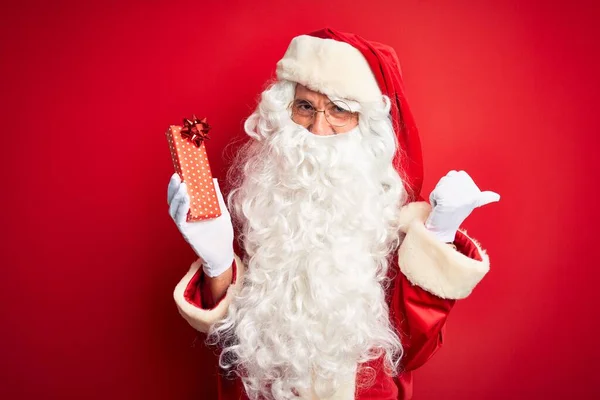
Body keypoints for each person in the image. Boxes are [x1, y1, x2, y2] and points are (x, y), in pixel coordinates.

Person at [167, 28, 500, 400]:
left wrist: (439, 232)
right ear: (284, 110)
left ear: (367, 126)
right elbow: (233, 341)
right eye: (305, 107)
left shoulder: (387, 221)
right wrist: (217, 266)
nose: (317, 129)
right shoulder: (262, 202)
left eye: (339, 110)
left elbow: (414, 348)